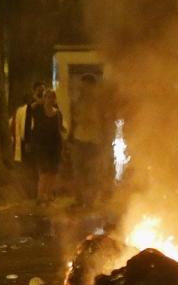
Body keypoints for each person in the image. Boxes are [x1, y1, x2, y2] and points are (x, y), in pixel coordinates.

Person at [69, 74, 113, 207]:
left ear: (93, 87)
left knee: (92, 172)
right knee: (78, 172)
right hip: (79, 139)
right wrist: (70, 137)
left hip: (94, 141)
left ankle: (90, 200)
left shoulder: (100, 104)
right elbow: (73, 121)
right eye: (83, 86)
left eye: (87, 86)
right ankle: (79, 199)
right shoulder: (77, 102)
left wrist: (106, 139)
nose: (83, 88)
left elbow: (106, 122)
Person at [26, 89, 66, 204]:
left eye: (52, 98)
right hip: (41, 146)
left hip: (54, 146)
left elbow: (59, 130)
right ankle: (40, 195)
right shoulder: (38, 111)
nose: (50, 100)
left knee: (53, 172)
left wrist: (61, 145)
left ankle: (48, 194)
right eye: (47, 97)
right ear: (44, 99)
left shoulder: (57, 113)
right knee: (44, 171)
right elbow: (29, 110)